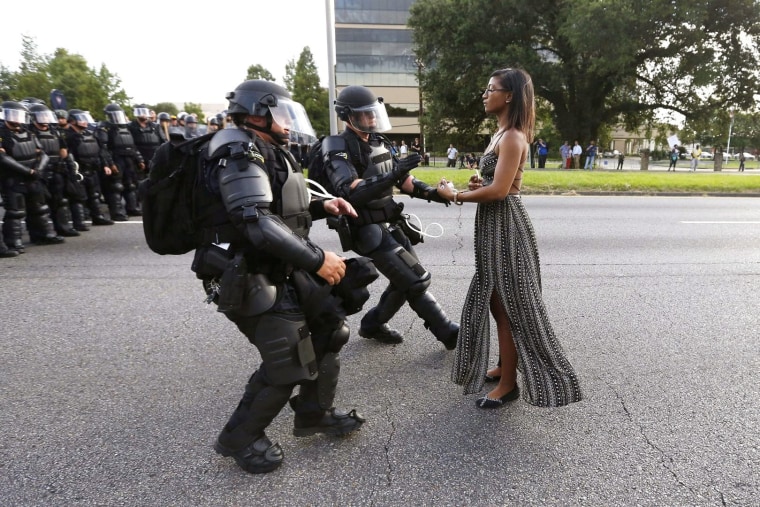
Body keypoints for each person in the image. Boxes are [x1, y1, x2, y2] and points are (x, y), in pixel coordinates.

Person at [192, 80, 366, 474]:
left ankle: (313, 413)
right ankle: (239, 437)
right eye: (281, 113)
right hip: (247, 272)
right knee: (288, 360)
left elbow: (280, 207)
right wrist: (318, 259)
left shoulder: (263, 148)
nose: (288, 122)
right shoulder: (237, 151)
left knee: (329, 329)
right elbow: (256, 221)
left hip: (279, 265)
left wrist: (324, 206)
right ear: (256, 113)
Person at [436, 68, 582, 409]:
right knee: (495, 300)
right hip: (493, 225)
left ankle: (509, 384)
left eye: (491, 89)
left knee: (510, 306)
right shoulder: (500, 134)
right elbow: (494, 183)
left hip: (506, 226)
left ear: (510, 96)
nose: (485, 94)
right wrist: (477, 184)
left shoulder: (514, 136)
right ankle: (505, 365)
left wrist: (454, 195)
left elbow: (501, 191)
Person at [317, 85, 459, 349]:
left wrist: (435, 194)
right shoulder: (337, 145)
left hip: (390, 222)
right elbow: (349, 190)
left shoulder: (378, 142)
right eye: (365, 114)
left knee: (404, 279)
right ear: (348, 116)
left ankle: (372, 324)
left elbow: (404, 180)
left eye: (373, 113)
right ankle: (448, 332)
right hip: (365, 228)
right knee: (415, 280)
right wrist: (393, 175)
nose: (371, 119)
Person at [0, 100, 65, 252]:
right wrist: (27, 171)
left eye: (19, 115)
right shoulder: (2, 134)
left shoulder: (28, 132)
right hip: (13, 178)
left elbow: (42, 153)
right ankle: (13, 241)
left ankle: (44, 234)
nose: (16, 119)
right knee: (16, 211)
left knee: (40, 207)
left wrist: (38, 169)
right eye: (13, 115)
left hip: (34, 176)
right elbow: (3, 158)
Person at [27, 102, 80, 237]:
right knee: (39, 205)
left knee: (60, 201)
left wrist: (68, 166)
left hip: (56, 170)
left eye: (46, 116)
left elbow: (63, 150)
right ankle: (39, 234)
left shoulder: (54, 131)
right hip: (39, 172)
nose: (44, 119)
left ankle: (62, 227)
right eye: (41, 116)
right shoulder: (29, 132)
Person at [65, 109, 115, 227]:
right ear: (72, 121)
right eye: (81, 119)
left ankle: (98, 217)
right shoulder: (68, 136)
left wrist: (105, 165)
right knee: (78, 197)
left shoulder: (90, 134)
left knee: (94, 195)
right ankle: (79, 222)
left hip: (92, 169)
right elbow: (67, 155)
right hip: (79, 170)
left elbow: (100, 151)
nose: (85, 122)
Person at [95, 104, 145, 218]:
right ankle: (117, 212)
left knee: (131, 185)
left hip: (129, 159)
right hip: (116, 158)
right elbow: (103, 148)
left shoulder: (126, 127)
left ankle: (132, 208)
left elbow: (132, 146)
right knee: (116, 186)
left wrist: (139, 159)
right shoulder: (104, 128)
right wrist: (110, 163)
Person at [127, 105, 163, 178]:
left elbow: (163, 141)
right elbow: (130, 144)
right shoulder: (130, 126)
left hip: (154, 158)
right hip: (138, 160)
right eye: (141, 112)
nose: (143, 114)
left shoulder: (156, 126)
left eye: (144, 112)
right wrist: (139, 159)